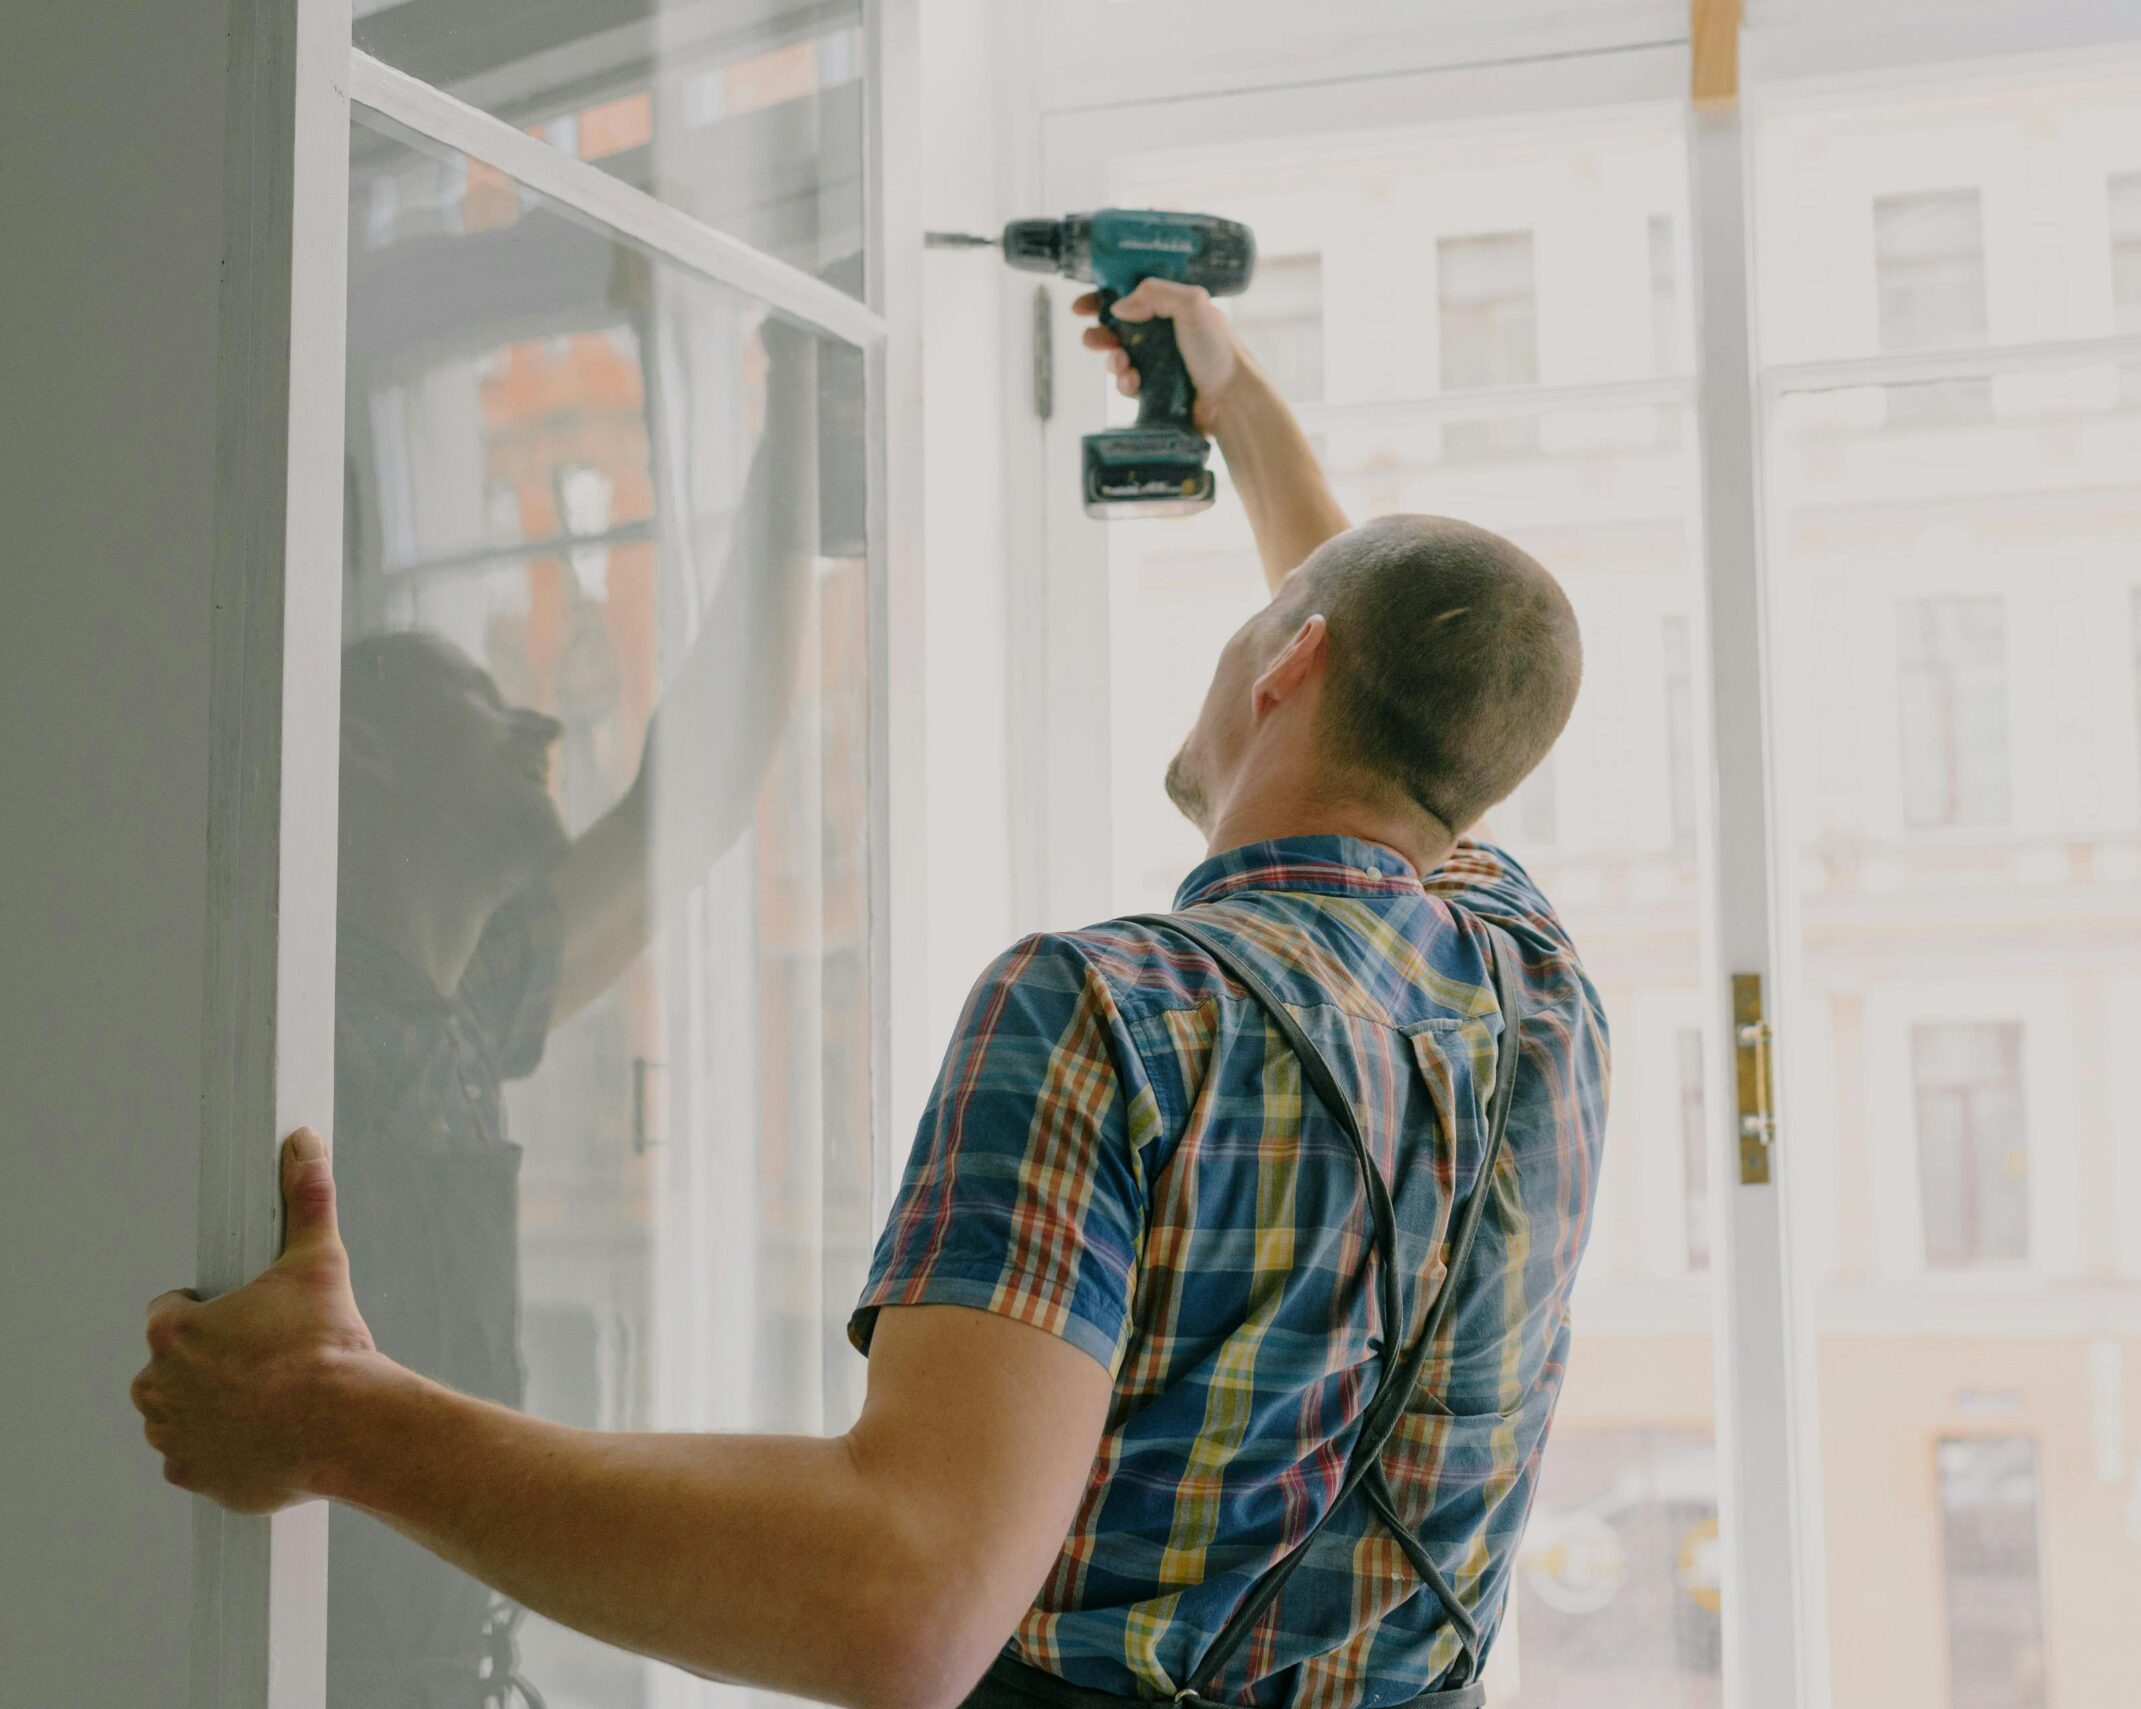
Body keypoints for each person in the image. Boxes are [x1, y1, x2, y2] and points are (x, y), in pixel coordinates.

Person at [133, 276, 1610, 1709]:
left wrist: (332, 1416)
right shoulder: (1538, 998)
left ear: (1290, 665)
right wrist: (1230, 405)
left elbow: (904, 1600)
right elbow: (1424, 703)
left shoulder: (1114, 1015)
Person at [323, 303, 822, 1708]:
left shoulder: (463, 1000)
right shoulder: (293, 1032)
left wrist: (794, 431)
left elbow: (698, 791)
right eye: (483, 702)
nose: (541, 725)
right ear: (362, 751)